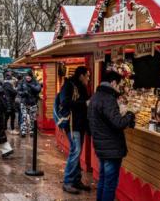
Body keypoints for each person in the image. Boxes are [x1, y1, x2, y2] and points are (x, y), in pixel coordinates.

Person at [88, 70, 136, 201]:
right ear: (113, 82)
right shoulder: (108, 99)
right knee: (110, 184)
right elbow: (118, 123)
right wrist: (130, 115)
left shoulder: (96, 96)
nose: (119, 88)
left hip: (101, 146)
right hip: (111, 148)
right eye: (119, 85)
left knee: (103, 180)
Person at [58, 66, 92, 194]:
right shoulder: (68, 85)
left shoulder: (82, 87)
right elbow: (64, 102)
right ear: (81, 75)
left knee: (77, 152)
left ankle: (76, 180)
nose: (89, 79)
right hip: (72, 124)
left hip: (80, 124)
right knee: (75, 151)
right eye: (87, 76)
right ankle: (67, 181)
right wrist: (84, 104)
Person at [17, 70, 42, 137]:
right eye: (26, 76)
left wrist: (31, 86)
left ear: (31, 76)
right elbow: (18, 91)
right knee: (24, 117)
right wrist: (23, 93)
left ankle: (32, 131)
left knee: (32, 118)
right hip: (24, 102)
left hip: (33, 102)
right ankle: (23, 131)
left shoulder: (35, 81)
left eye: (29, 76)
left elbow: (38, 89)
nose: (27, 77)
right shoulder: (22, 82)